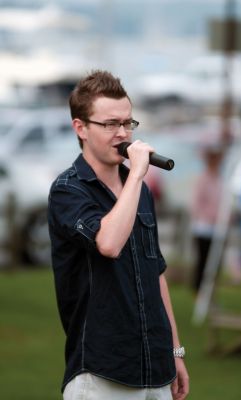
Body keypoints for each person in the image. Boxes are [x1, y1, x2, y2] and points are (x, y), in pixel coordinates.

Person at [48, 70, 189, 400]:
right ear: (80, 127)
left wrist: (175, 351)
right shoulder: (68, 191)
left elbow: (157, 274)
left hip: (156, 370)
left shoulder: (137, 189)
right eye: (110, 124)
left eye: (127, 123)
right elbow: (108, 244)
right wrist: (138, 175)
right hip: (102, 373)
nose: (122, 133)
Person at [191, 144, 223, 293]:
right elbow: (197, 204)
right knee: (203, 261)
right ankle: (199, 291)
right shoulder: (204, 179)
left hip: (216, 226)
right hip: (203, 226)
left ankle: (209, 291)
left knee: (215, 263)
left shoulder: (219, 179)